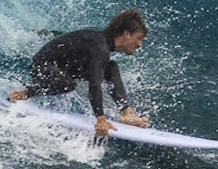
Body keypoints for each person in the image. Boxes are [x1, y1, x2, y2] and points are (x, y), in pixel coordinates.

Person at [9, 9, 151, 138]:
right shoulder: (101, 48)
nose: (140, 44)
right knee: (67, 84)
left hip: (65, 67)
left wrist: (46, 32)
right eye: (138, 38)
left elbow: (69, 37)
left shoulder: (101, 39)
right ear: (126, 34)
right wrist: (100, 119)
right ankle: (22, 94)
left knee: (111, 67)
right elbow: (95, 84)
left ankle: (125, 112)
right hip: (42, 66)